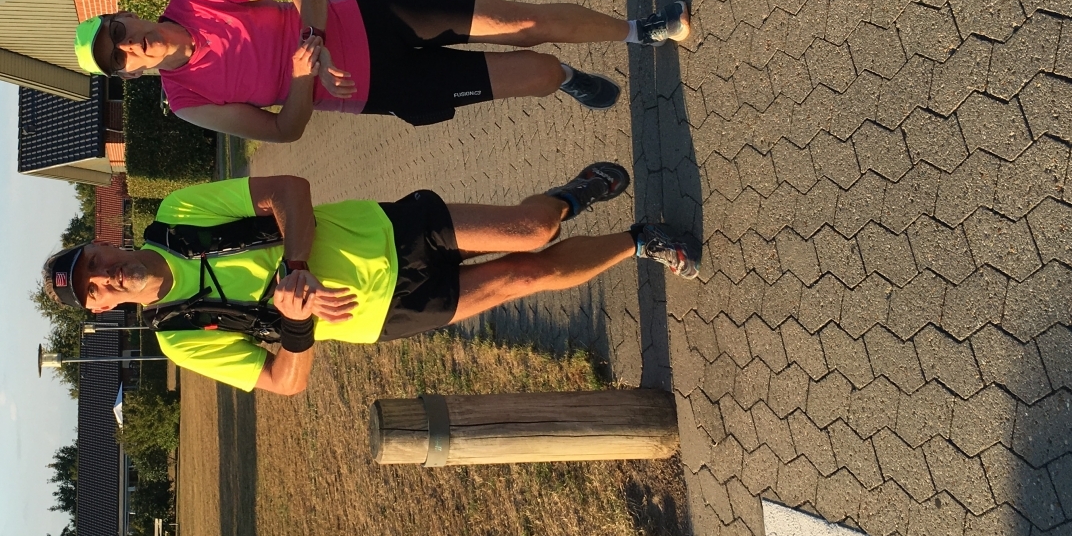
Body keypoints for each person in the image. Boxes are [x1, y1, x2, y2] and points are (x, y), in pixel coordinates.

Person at [40, 162, 700, 395]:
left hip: (387, 230)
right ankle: (641, 241)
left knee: (532, 231)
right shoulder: (180, 338)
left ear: (100, 244)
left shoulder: (180, 214)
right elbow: (283, 382)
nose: (105, 278)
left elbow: (290, 190)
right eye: (94, 290)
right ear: (100, 311)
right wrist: (296, 323)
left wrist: (296, 266)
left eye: (92, 264)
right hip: (382, 314)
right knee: (527, 276)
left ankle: (569, 197)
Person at [72, 0, 691, 142]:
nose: (129, 47)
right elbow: (285, 130)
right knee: (537, 71)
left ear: (125, 14)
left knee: (525, 23)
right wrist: (302, 78)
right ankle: (567, 76)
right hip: (383, 88)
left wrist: (313, 41)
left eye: (118, 34)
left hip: (379, 15)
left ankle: (641, 30)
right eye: (118, 58)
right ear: (130, 73)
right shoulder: (187, 100)